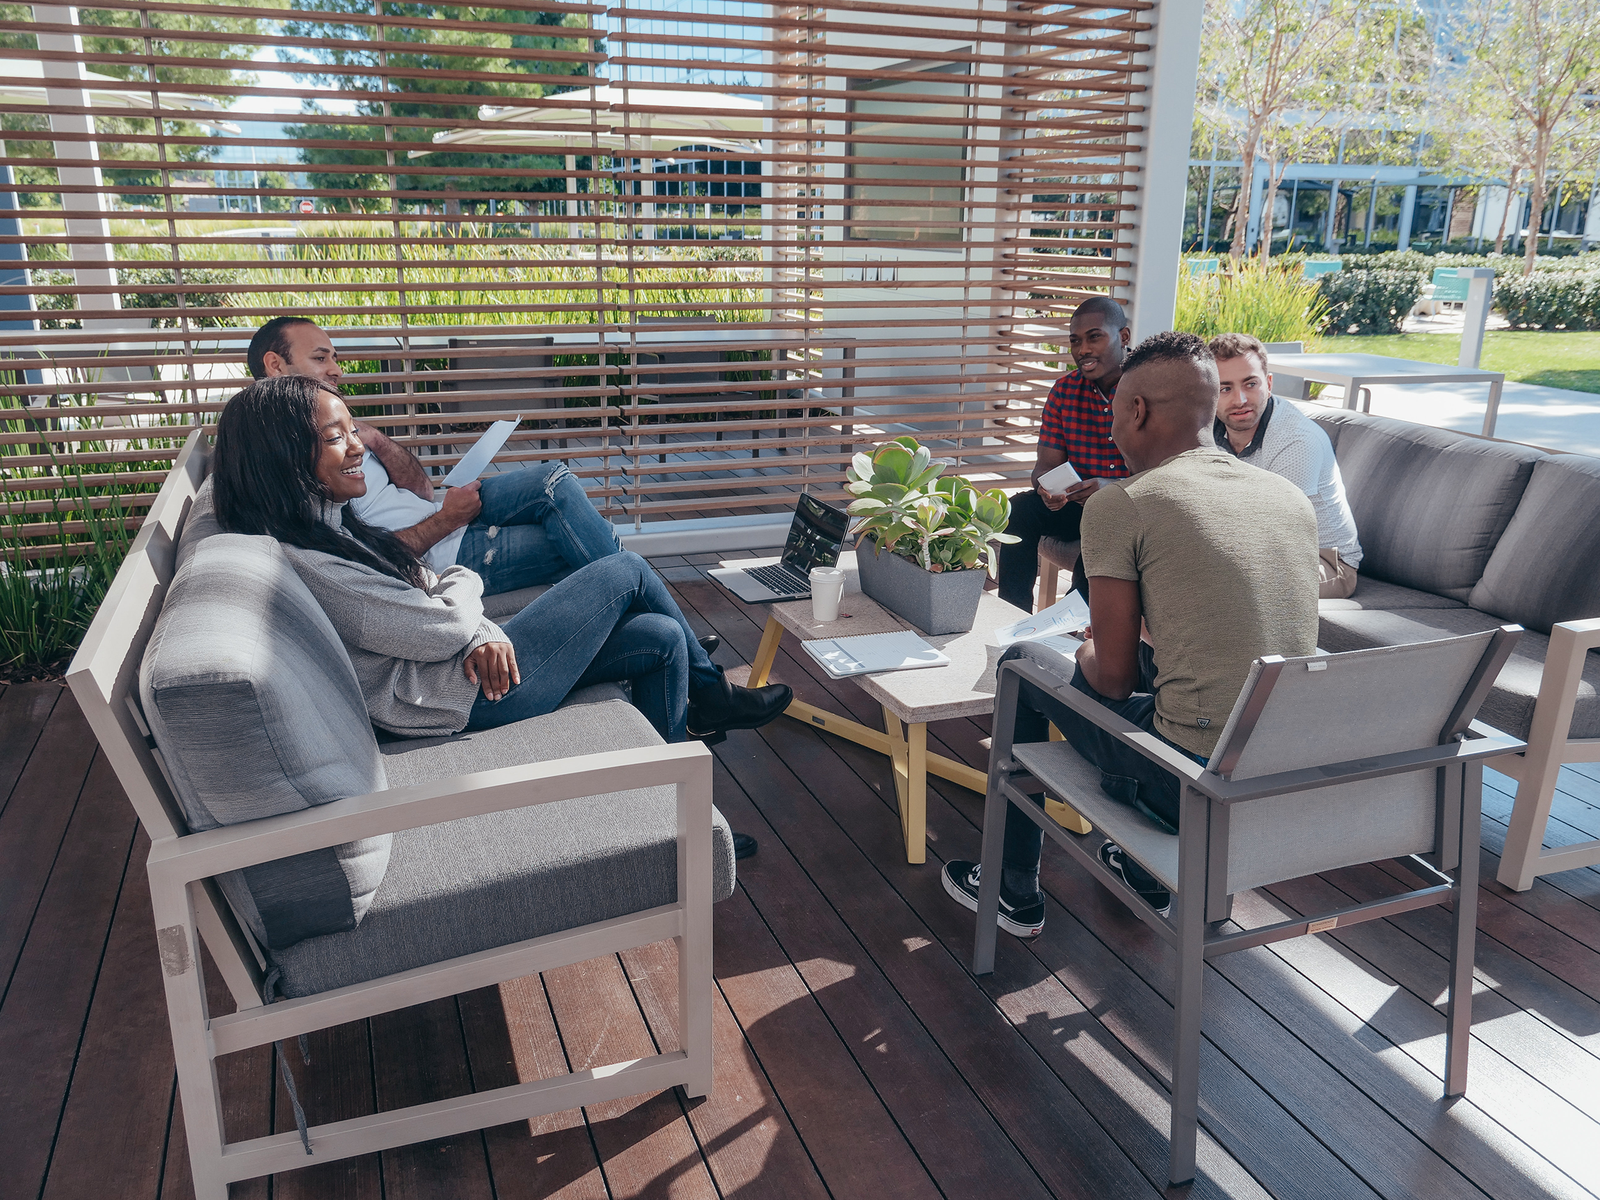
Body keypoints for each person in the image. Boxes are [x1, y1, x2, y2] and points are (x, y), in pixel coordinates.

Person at [943, 332, 1320, 937]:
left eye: (1116, 415)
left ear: (1137, 410)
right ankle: (1143, 873)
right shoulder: (1287, 497)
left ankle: (1011, 888)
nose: (1114, 431)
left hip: (1187, 783)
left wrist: (1085, 648)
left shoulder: (1124, 504)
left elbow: (1112, 680)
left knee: (1020, 662)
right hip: (1285, 775)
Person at [210, 375, 794, 762]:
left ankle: (675, 814)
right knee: (628, 570)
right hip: (458, 700)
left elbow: (426, 588)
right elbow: (440, 621)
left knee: (660, 636)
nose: (357, 446)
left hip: (465, 670)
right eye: (336, 438)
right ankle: (711, 696)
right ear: (285, 458)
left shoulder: (330, 527)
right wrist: (468, 602)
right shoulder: (316, 562)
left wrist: (480, 628)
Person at [995, 296, 1134, 612]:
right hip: (1076, 505)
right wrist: (1047, 490)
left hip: (1129, 510)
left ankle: (1072, 623)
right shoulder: (1064, 391)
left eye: (1094, 337)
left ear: (1123, 337)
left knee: (1102, 528)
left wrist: (1111, 487)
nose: (1083, 349)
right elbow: (1044, 468)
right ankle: (1013, 613)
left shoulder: (1148, 390)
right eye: (1075, 341)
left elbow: (1164, 476)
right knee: (1019, 509)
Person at [1209, 333, 1364, 599]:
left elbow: (1274, 536)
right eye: (1225, 389)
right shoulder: (1208, 429)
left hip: (1325, 561)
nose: (1240, 399)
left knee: (1219, 586)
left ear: (1269, 384)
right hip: (1259, 551)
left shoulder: (1295, 441)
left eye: (1250, 384)